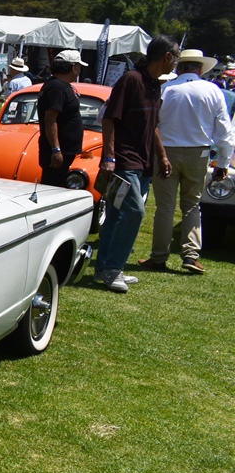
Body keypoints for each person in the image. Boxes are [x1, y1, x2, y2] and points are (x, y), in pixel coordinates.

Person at [93, 37, 180, 292]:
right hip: (124, 160)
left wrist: (161, 155)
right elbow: (109, 118)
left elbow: (152, 125)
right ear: (166, 57)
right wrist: (109, 158)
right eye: (175, 57)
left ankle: (105, 268)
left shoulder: (155, 85)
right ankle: (113, 269)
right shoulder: (132, 79)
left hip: (143, 161)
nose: (176, 62)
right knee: (135, 212)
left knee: (118, 213)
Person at [140, 48, 234, 274]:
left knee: (165, 207)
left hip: (167, 151)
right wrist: (222, 163)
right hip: (198, 153)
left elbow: (153, 123)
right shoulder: (213, 90)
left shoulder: (166, 89)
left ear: (179, 67)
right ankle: (191, 255)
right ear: (200, 69)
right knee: (192, 205)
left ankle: (159, 257)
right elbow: (224, 132)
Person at [37, 50, 85, 189]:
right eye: (79, 66)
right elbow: (50, 120)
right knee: (52, 186)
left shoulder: (60, 85)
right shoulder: (56, 87)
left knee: (57, 184)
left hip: (65, 150)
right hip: (59, 151)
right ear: (73, 67)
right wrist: (56, 150)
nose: (79, 70)